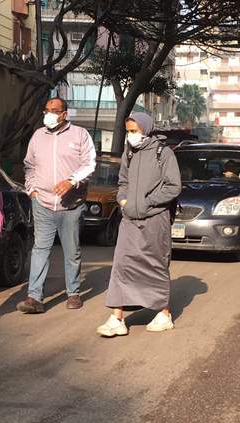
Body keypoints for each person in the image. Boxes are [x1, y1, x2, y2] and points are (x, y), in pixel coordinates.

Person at [96, 112, 182, 337]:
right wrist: (123, 201)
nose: (130, 135)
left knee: (155, 265)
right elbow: (123, 181)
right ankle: (117, 317)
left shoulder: (164, 153)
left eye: (134, 131)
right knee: (122, 265)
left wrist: (147, 202)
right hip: (129, 219)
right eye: (128, 131)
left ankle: (163, 313)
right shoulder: (129, 151)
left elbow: (173, 186)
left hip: (155, 219)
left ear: (146, 129)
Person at [17, 97, 96, 313]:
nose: (49, 114)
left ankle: (73, 293)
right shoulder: (37, 136)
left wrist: (71, 181)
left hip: (71, 206)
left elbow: (90, 164)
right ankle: (34, 297)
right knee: (40, 249)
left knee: (72, 251)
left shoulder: (80, 135)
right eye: (46, 110)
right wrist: (32, 190)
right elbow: (29, 166)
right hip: (42, 203)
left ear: (64, 114)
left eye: (54, 110)